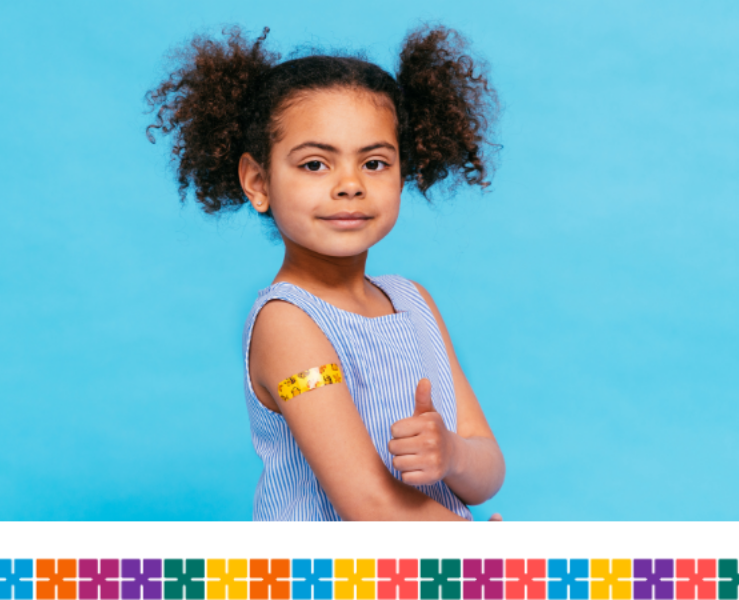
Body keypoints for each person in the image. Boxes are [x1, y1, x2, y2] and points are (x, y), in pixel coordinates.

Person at [146, 25, 505, 520]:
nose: (350, 185)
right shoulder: (287, 323)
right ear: (257, 181)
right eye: (316, 164)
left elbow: (487, 469)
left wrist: (451, 453)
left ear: (405, 172)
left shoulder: (413, 300)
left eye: (375, 163)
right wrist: (492, 565)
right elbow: (368, 503)